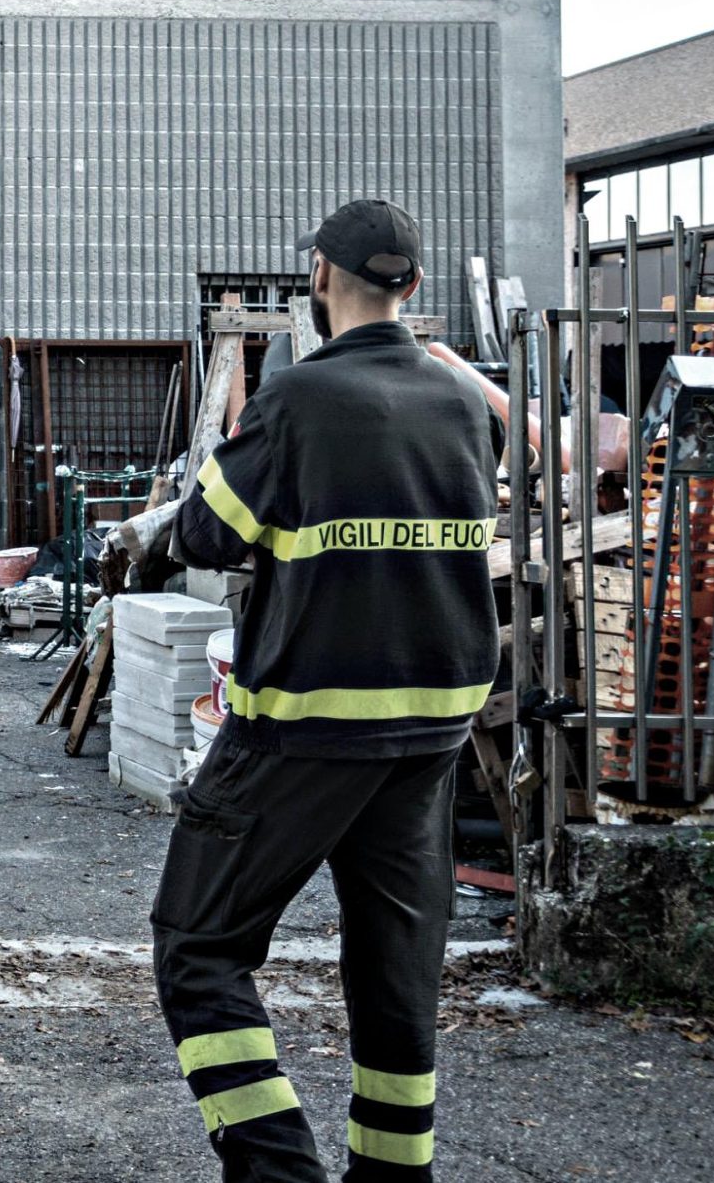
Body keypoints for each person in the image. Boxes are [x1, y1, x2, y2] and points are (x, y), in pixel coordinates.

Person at [155, 199, 499, 1183]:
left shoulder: (301, 399)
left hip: (301, 733)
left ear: (317, 276)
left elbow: (207, 533)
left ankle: (277, 1172)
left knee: (197, 946)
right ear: (415, 289)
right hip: (430, 738)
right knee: (395, 984)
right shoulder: (463, 405)